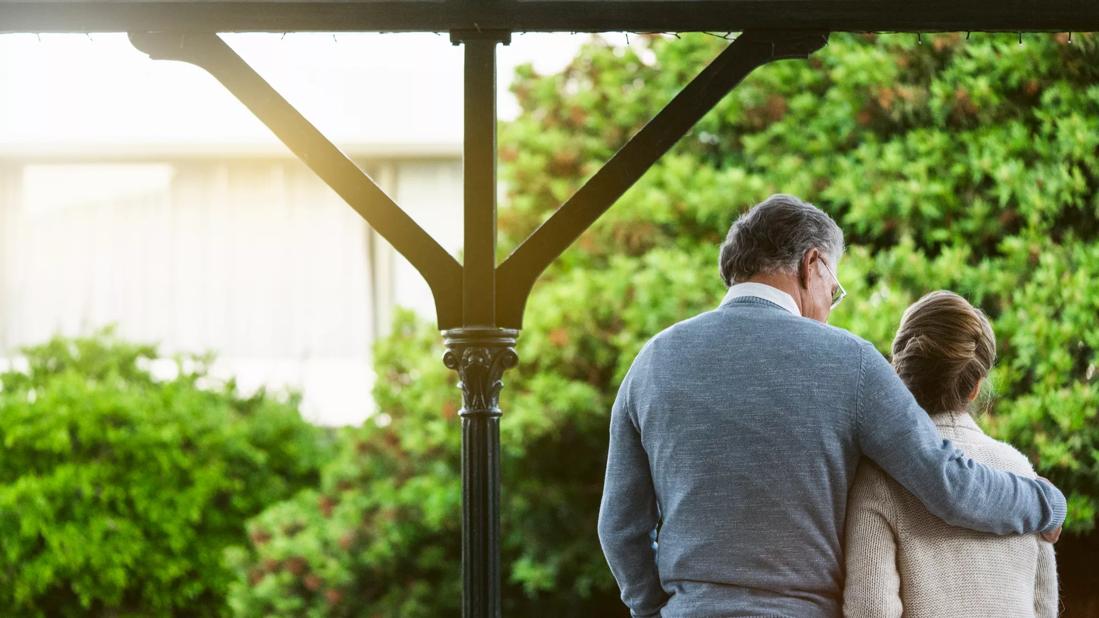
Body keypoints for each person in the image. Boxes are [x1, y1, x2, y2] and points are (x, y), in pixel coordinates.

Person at [596, 194, 1065, 617]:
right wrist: (1045, 501)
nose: (829, 306)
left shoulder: (653, 361)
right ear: (813, 265)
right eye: (834, 290)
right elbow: (947, 484)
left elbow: (619, 527)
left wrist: (657, 609)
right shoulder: (851, 362)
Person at [843, 291, 1058, 617]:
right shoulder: (1024, 476)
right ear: (975, 387)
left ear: (901, 374)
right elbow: (1044, 606)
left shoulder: (880, 476)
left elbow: (871, 609)